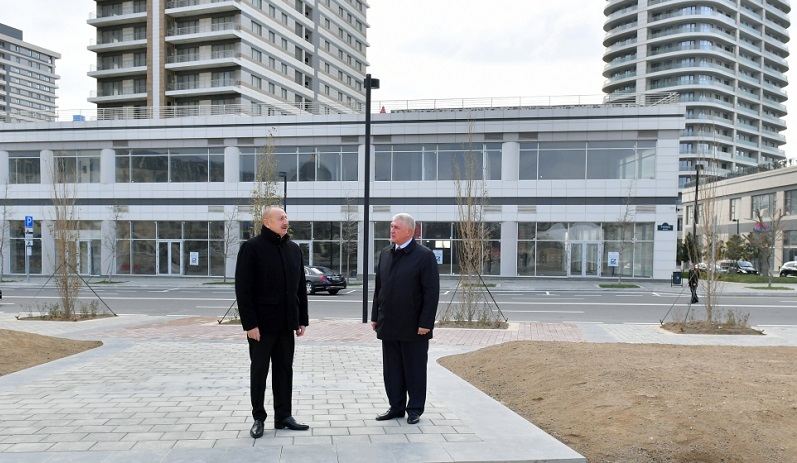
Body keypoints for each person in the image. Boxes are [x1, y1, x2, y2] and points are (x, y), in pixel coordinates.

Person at [235, 205, 310, 438]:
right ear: (267, 222)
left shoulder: (294, 250)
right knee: (259, 372)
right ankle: (259, 417)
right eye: (280, 218)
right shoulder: (251, 248)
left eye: (286, 217)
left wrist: (301, 320)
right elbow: (243, 289)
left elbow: (300, 289)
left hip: (287, 324)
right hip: (262, 326)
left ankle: (284, 416)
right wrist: (250, 324)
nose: (285, 221)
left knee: (284, 371)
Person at [370, 213, 440, 425]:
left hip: (414, 326)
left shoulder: (424, 256)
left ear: (409, 231)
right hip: (388, 323)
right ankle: (396, 406)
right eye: (391, 226)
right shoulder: (385, 254)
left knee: (415, 369)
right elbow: (379, 288)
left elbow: (431, 292)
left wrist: (425, 324)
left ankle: (415, 409)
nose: (392, 230)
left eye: (396, 227)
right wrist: (375, 316)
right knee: (392, 370)